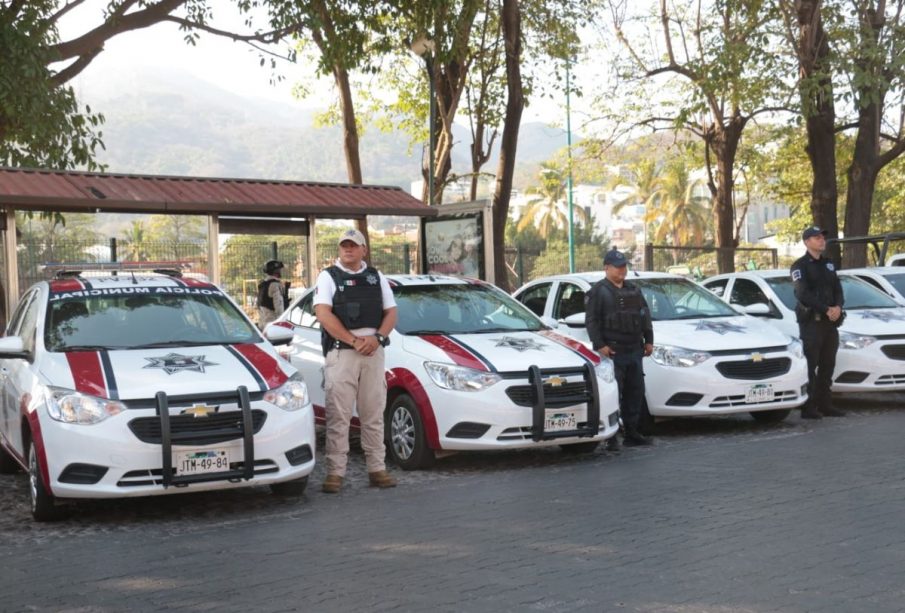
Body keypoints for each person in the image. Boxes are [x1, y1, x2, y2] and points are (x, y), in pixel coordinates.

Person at [314, 228, 399, 493]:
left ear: (364, 249)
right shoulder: (328, 276)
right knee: (338, 414)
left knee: (373, 413)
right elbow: (324, 314)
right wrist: (353, 341)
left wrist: (378, 338)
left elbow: (391, 311)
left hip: (373, 353)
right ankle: (335, 473)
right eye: (344, 246)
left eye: (353, 245)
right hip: (343, 353)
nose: (348, 249)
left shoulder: (376, 276)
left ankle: (377, 469)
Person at [585, 248, 654, 449]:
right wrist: (600, 345)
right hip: (613, 351)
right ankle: (611, 436)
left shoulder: (633, 289)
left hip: (634, 349)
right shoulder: (598, 291)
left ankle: (632, 432)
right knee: (615, 393)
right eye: (618, 266)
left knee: (634, 392)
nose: (622, 270)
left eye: (624, 266)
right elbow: (592, 321)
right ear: (606, 268)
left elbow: (644, 316)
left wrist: (649, 340)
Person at [791, 226, 846, 419]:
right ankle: (809, 407)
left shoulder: (829, 264)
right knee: (811, 365)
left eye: (822, 237)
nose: (822, 240)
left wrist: (838, 307)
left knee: (827, 365)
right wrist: (826, 309)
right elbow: (802, 293)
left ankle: (825, 404)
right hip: (812, 324)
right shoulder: (800, 266)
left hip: (830, 324)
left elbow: (837, 289)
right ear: (807, 242)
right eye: (816, 237)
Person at [257, 259, 288, 329]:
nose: (280, 271)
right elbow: (279, 309)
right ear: (275, 271)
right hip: (272, 325)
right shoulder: (275, 285)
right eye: (279, 270)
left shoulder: (263, 284)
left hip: (262, 324)